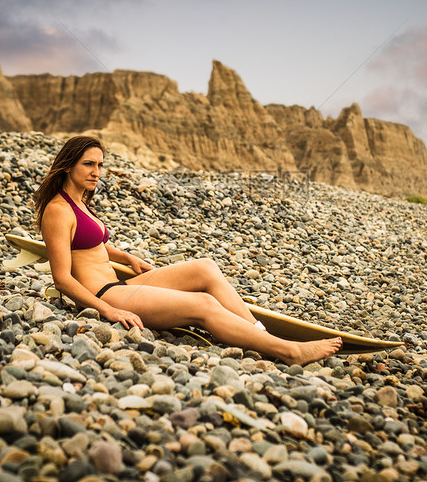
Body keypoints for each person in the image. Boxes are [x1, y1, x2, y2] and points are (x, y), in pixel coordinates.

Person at [33, 136, 342, 366]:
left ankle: (258, 332)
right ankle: (288, 351)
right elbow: (62, 278)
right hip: (106, 295)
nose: (96, 171)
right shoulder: (58, 210)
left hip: (119, 285)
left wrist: (126, 257)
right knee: (204, 304)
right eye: (88, 164)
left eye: (100, 164)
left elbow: (90, 243)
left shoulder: (80, 204)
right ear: (68, 164)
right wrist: (108, 311)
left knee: (204, 267)